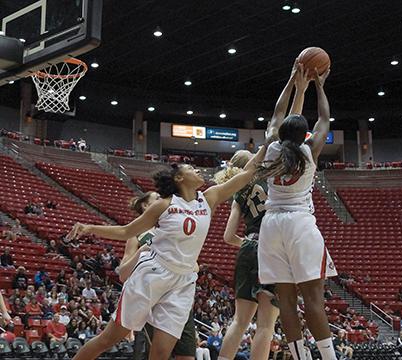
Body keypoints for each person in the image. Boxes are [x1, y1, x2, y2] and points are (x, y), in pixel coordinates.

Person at [66, 146, 268, 360]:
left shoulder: (209, 198)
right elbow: (127, 231)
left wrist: (267, 146)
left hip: (183, 282)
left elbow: (247, 174)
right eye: (191, 168)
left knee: (162, 352)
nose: (198, 171)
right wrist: (90, 228)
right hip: (152, 273)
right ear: (179, 177)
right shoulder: (163, 205)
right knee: (109, 339)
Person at [215, 62, 309, 360]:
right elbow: (287, 123)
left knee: (239, 322)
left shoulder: (239, 189)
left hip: (250, 246)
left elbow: (229, 236)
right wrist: (300, 88)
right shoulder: (274, 164)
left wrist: (250, 242)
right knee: (266, 327)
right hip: (273, 245)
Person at [257, 65, 336, 360]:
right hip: (299, 224)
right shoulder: (309, 150)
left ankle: (300, 357)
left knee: (286, 301)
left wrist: (292, 82)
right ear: (305, 134)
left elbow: (278, 114)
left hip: (271, 225)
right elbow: (325, 118)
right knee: (314, 300)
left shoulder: (271, 149)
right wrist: (319, 85)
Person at [119, 191, 198, 360]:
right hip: (153, 299)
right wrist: (142, 251)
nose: (164, 201)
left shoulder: (173, 229)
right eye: (158, 198)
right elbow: (123, 273)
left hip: (180, 300)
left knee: (187, 357)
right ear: (146, 206)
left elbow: (196, 267)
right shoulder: (136, 235)